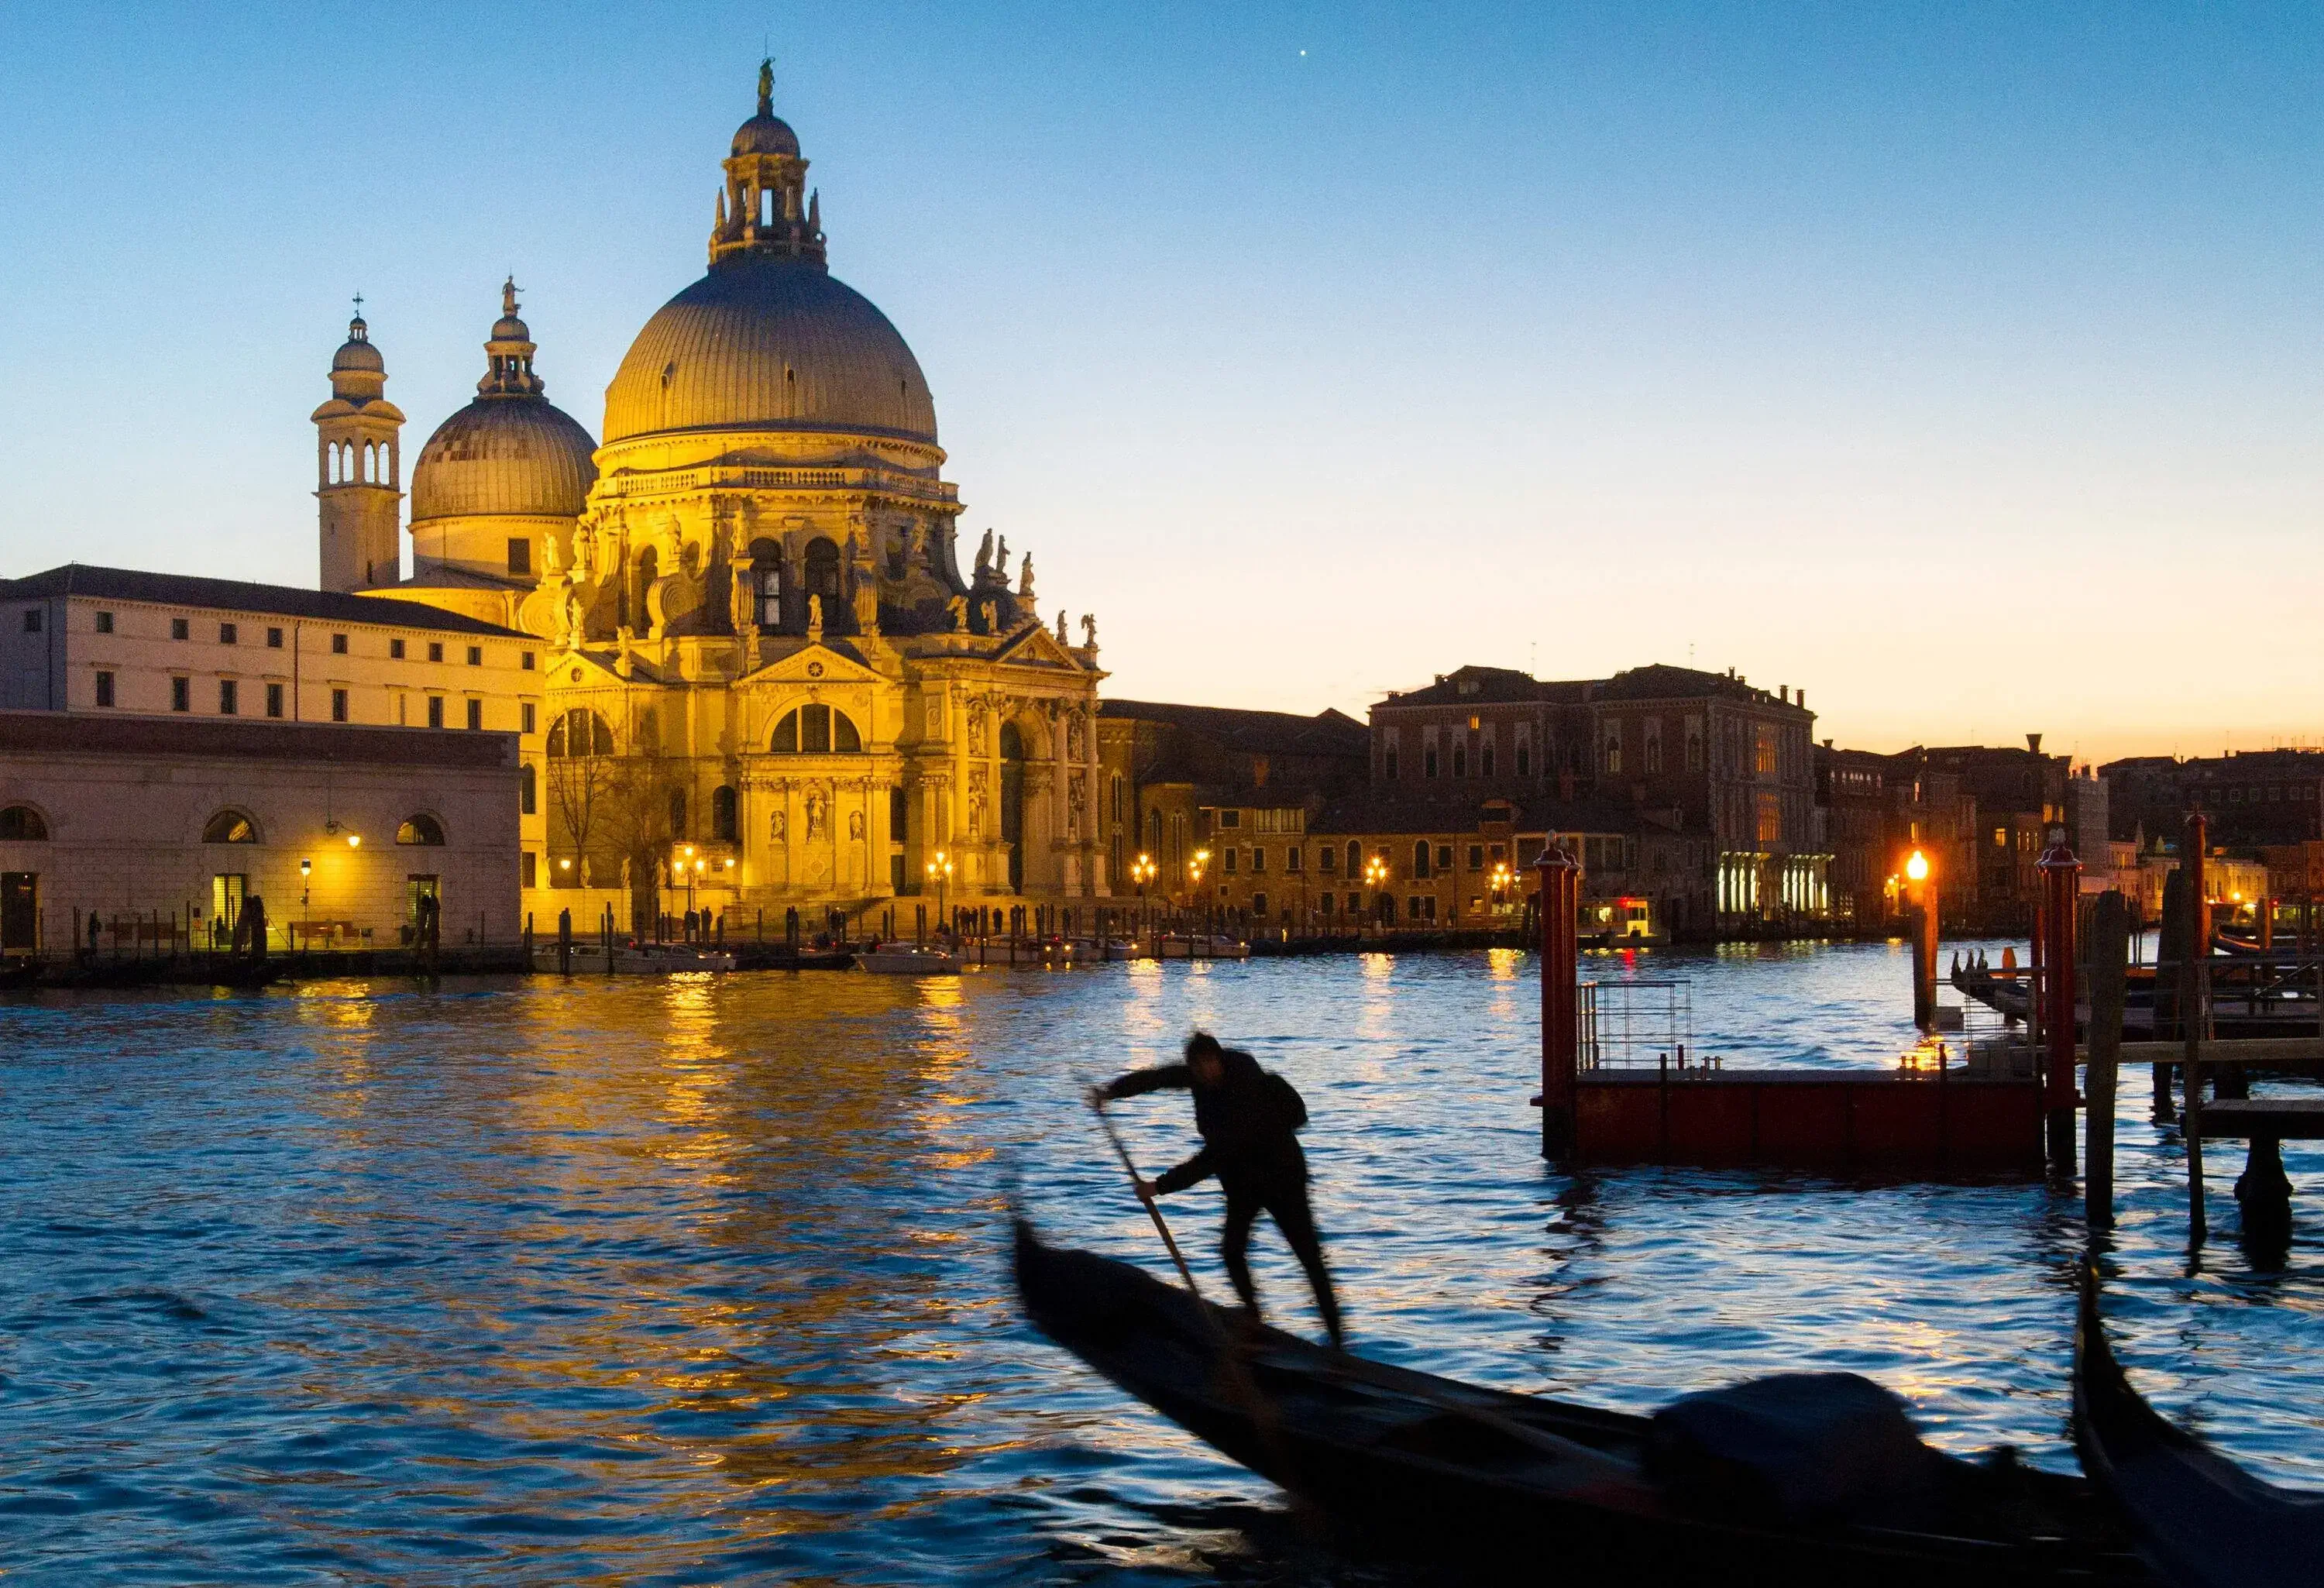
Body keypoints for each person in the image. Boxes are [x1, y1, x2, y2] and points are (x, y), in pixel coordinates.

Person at [1095, 1032, 1343, 1349]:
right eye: (1196, 1069)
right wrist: (1111, 1092)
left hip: (1282, 1179)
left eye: (1207, 1066)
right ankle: (1253, 1318)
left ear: (1219, 1060)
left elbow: (1213, 1158)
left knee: (1309, 1258)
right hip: (1243, 1184)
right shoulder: (1199, 1077)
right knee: (1231, 1251)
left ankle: (1337, 1343)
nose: (1202, 1075)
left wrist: (1159, 1187)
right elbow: (1157, 1078)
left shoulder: (1245, 1088)